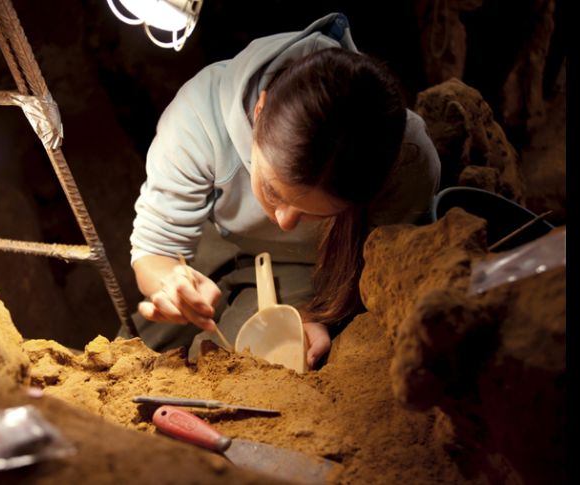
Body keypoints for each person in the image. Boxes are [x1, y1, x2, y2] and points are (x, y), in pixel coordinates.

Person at [126, 13, 441, 369]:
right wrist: (169, 282)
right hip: (209, 245)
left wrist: (322, 315)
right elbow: (155, 249)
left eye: (315, 213)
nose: (284, 221)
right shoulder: (199, 116)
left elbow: (385, 277)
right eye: (273, 191)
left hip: (310, 263)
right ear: (258, 110)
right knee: (133, 356)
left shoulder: (408, 161)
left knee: (240, 367)